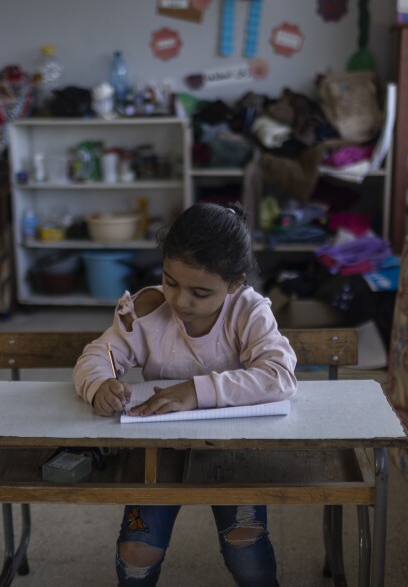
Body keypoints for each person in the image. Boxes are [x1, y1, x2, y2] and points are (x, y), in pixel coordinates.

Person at [73, 202, 297, 586]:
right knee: (136, 551)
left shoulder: (248, 311)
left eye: (200, 292)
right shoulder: (147, 310)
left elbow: (279, 377)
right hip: (159, 448)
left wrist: (196, 390)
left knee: (245, 548)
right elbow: (96, 356)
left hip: (232, 446)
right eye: (171, 281)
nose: (180, 301)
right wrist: (99, 384)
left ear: (235, 284)